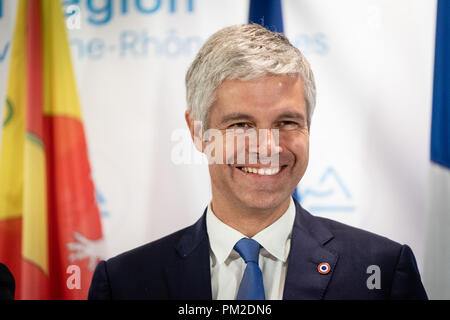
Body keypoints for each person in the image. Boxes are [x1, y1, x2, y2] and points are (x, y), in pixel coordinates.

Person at [88, 24, 427, 300]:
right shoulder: (124, 283)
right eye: (240, 124)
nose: (267, 146)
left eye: (287, 122)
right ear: (197, 132)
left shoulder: (382, 271)